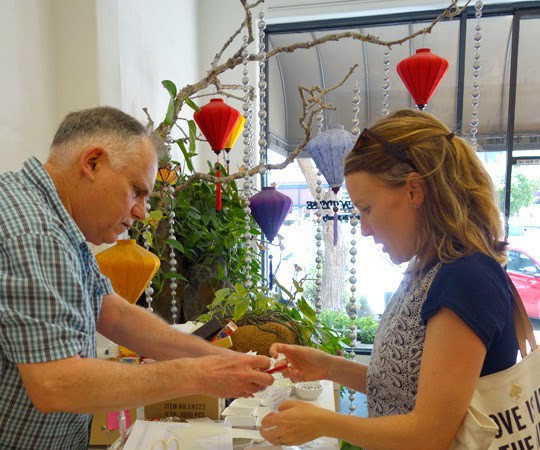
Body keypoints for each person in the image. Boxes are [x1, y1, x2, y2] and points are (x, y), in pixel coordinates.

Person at [0, 106, 274, 449]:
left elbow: (114, 314)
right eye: (136, 191)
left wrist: (221, 359)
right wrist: (199, 376)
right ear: (93, 163)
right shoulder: (35, 233)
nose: (142, 212)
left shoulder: (54, 221)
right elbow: (56, 384)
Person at [260, 109, 519, 449]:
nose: (364, 229)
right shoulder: (430, 268)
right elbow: (408, 389)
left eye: (366, 208)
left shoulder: (466, 277)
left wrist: (323, 422)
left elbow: (429, 433)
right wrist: (328, 367)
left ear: (414, 190)